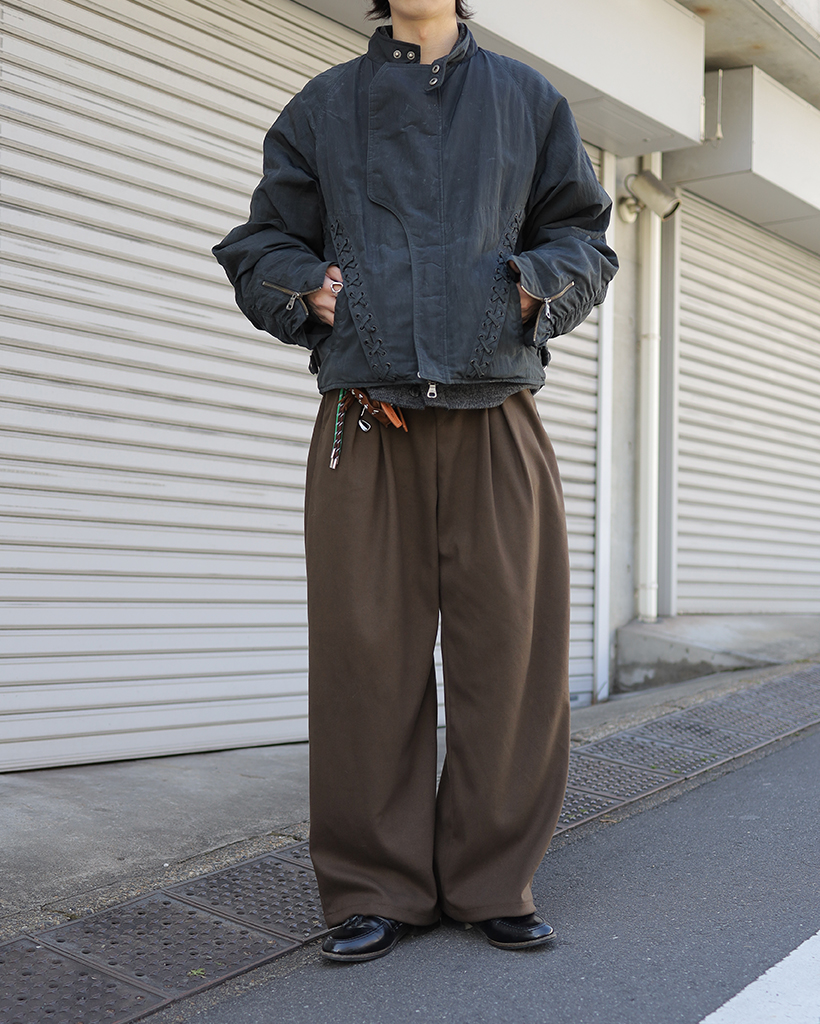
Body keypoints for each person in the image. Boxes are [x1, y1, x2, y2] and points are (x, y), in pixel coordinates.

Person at [214, 0, 618, 962]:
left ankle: (492, 880)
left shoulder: (527, 101)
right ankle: (374, 888)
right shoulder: (324, 106)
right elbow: (262, 241)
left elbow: (584, 239)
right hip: (366, 419)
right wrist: (311, 290)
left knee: (511, 658)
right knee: (364, 662)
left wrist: (529, 287)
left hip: (496, 418)